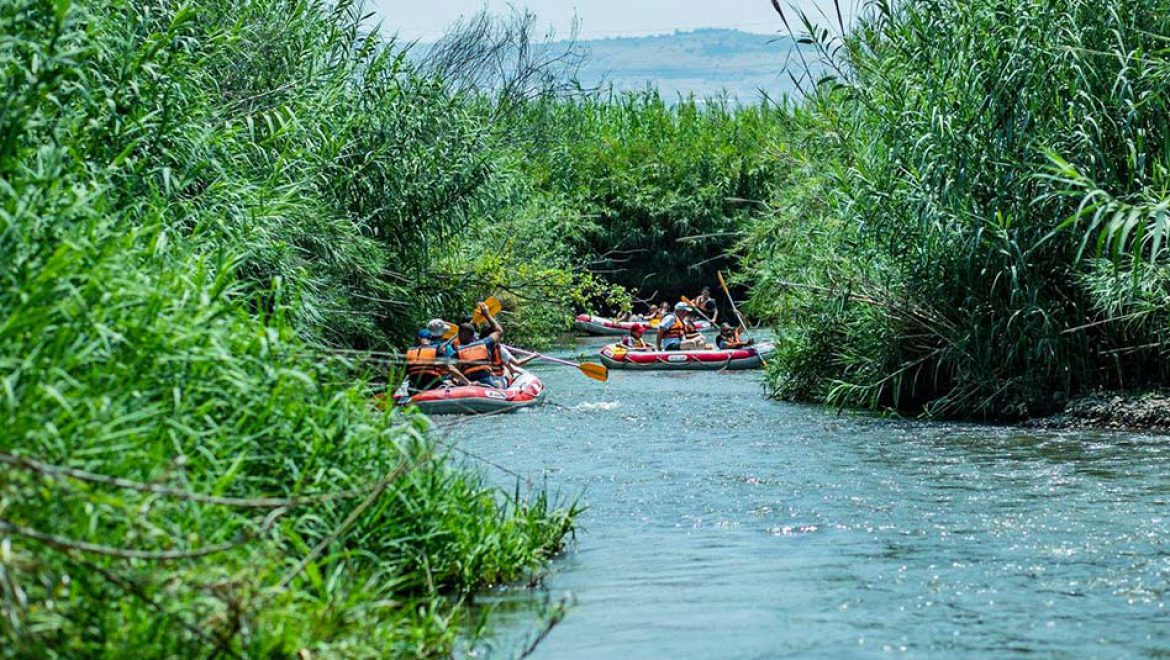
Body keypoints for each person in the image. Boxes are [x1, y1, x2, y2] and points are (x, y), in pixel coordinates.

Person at [456, 302, 509, 388]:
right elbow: (499, 331)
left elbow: (450, 368)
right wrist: (487, 315)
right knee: (502, 381)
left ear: (458, 336)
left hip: (467, 385)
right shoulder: (484, 343)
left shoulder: (456, 351)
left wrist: (467, 382)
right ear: (473, 335)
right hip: (487, 385)